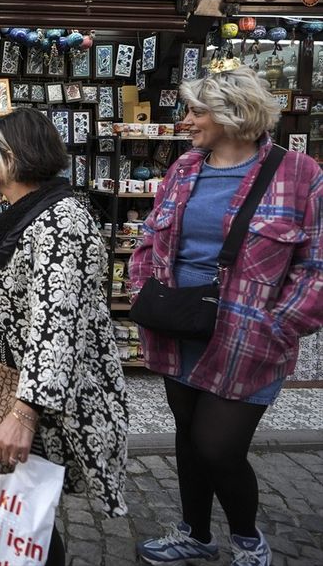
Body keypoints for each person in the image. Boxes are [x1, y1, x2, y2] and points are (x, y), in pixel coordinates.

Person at [130, 65, 322, 566]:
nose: (186, 121)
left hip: (249, 339)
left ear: (233, 114)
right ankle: (195, 533)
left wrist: (277, 328)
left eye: (196, 110)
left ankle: (247, 540)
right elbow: (151, 237)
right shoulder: (184, 168)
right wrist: (142, 287)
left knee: (218, 447)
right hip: (180, 326)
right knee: (189, 440)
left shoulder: (300, 175)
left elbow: (316, 269)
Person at [0, 108, 129, 565]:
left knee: (16, 503)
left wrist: (25, 413)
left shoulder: (62, 221)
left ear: (11, 157)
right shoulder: (28, 213)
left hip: (24, 392)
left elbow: (56, 323)